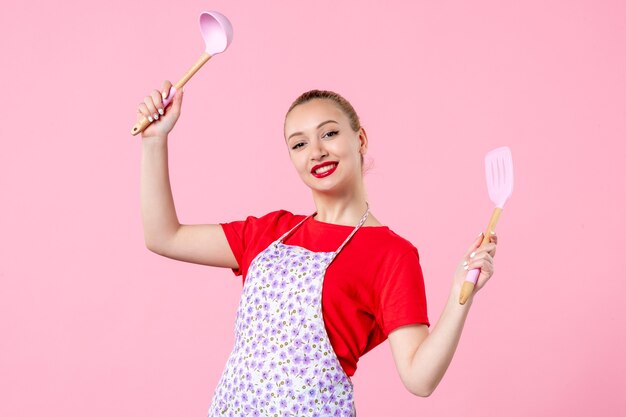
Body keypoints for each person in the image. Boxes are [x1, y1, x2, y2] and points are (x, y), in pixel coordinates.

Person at [136, 80, 498, 416]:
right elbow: (163, 236)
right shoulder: (268, 232)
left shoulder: (391, 254)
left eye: (329, 133)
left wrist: (458, 296)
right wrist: (155, 141)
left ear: (361, 139)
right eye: (299, 143)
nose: (317, 151)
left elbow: (419, 379)